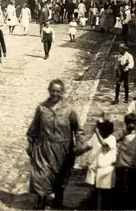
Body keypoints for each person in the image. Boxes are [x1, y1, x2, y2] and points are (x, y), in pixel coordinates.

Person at [27, 79, 86, 210]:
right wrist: (31, 144)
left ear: (63, 92)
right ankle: (41, 200)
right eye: (53, 90)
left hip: (63, 149)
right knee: (42, 174)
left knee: (61, 175)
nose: (55, 93)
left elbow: (78, 129)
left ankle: (58, 200)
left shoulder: (69, 110)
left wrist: (79, 144)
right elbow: (34, 129)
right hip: (44, 147)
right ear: (49, 91)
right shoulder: (42, 108)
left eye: (58, 91)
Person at [114, 113, 136, 210]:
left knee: (134, 183)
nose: (131, 125)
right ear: (125, 123)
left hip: (135, 162)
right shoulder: (123, 132)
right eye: (129, 123)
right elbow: (114, 139)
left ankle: (133, 203)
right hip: (123, 161)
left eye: (133, 123)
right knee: (121, 184)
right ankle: (121, 203)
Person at [84, 118, 117, 210]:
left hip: (105, 169)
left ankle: (99, 208)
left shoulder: (112, 139)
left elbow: (104, 144)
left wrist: (97, 133)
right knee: (93, 190)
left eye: (102, 131)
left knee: (101, 192)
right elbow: (88, 145)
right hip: (94, 166)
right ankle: (93, 207)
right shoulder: (96, 136)